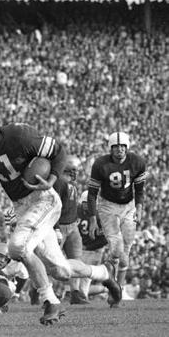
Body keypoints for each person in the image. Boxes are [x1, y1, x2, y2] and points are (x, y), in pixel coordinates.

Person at [0, 107, 121, 325]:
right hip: (21, 206)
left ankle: (50, 302)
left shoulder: (19, 136)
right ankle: (104, 273)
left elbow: (58, 152)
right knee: (61, 270)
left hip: (43, 198)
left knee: (17, 247)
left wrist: (53, 179)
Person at [88, 131, 147, 306]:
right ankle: (110, 279)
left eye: (122, 147)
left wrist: (140, 208)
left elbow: (140, 190)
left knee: (125, 255)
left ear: (127, 147)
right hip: (107, 207)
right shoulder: (100, 164)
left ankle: (117, 289)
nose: (119, 150)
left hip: (129, 207)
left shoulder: (137, 161)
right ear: (110, 148)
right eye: (116, 147)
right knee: (117, 248)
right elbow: (92, 194)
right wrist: (92, 219)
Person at [53, 155, 87, 304]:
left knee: (76, 260)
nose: (75, 172)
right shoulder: (59, 182)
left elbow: (71, 205)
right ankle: (42, 293)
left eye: (76, 169)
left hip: (73, 226)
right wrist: (56, 228)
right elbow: (53, 207)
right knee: (51, 261)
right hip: (60, 226)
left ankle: (75, 293)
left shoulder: (72, 183)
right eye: (72, 169)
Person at [77, 191, 108, 301]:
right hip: (81, 248)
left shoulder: (101, 216)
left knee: (87, 276)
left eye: (88, 203)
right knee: (76, 273)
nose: (85, 206)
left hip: (94, 250)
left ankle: (83, 295)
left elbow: (104, 239)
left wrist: (87, 247)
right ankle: (77, 295)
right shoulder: (78, 211)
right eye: (84, 203)